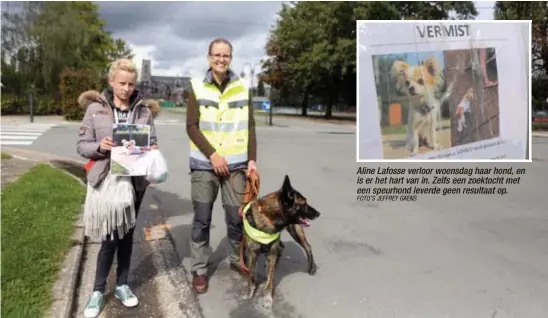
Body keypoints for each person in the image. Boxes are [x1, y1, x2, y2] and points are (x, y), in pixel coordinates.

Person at [76, 58, 160, 318]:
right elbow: (81, 145)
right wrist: (101, 147)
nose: (126, 88)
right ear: (111, 81)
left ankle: (123, 285)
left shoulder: (144, 110)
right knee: (110, 237)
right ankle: (98, 290)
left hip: (134, 182)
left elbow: (153, 141)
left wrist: (151, 149)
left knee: (126, 236)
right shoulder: (95, 109)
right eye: (121, 83)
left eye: (131, 84)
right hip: (106, 180)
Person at [186, 37, 257, 294]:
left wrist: (252, 161)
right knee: (202, 219)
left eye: (226, 55)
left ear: (231, 58)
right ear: (209, 58)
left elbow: (249, 125)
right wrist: (213, 155)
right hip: (205, 164)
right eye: (216, 55)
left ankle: (237, 260)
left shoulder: (243, 87)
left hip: (237, 165)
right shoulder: (196, 87)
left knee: (235, 218)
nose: (221, 59)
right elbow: (191, 126)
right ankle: (200, 270)